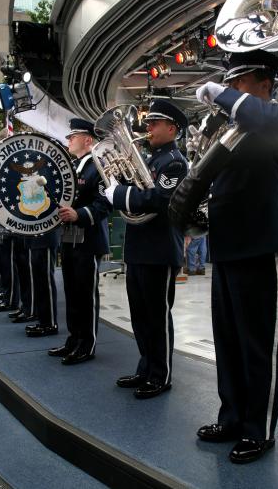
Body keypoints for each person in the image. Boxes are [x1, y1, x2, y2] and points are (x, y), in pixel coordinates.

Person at [194, 50, 278, 463]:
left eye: (239, 82)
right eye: (230, 83)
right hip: (228, 247)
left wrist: (219, 93)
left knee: (259, 346)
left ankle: (260, 430)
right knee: (230, 342)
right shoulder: (232, 132)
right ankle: (233, 417)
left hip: (262, 247)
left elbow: (251, 113)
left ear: (264, 85)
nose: (232, 90)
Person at [105, 99, 188, 399]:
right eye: (148, 123)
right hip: (139, 248)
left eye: (155, 123)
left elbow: (160, 201)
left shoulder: (176, 163)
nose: (148, 128)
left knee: (156, 315)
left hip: (159, 248)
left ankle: (161, 374)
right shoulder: (152, 160)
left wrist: (120, 193)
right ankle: (145, 367)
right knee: (140, 315)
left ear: (172, 128)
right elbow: (139, 189)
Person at [48, 118, 110, 364]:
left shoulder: (98, 166)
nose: (69, 140)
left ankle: (87, 344)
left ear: (88, 139)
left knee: (85, 294)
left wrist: (80, 214)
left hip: (88, 238)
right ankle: (74, 340)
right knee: (72, 293)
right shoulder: (73, 168)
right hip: (70, 238)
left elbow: (105, 203)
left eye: (73, 136)